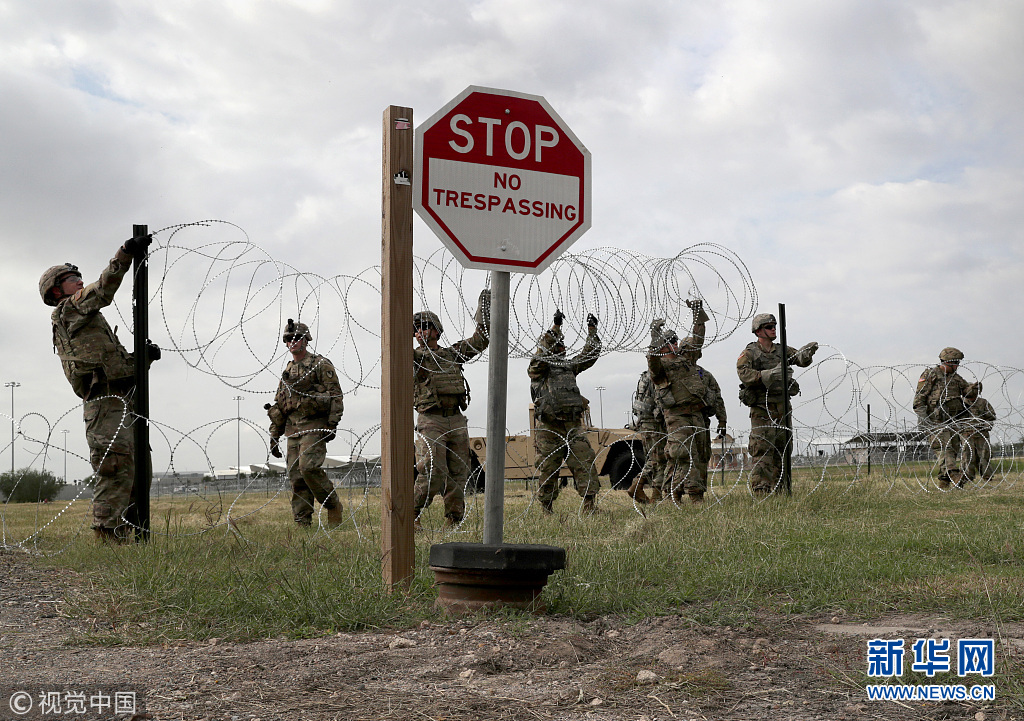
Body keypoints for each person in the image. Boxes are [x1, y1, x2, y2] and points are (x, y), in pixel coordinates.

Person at [41, 237, 158, 542]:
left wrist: (141, 361)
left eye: (78, 277)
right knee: (115, 464)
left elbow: (111, 362)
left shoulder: (87, 318)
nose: (79, 281)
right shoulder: (69, 309)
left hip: (122, 397)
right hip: (104, 402)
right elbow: (104, 288)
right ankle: (107, 535)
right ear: (57, 290)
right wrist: (124, 254)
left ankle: (131, 529)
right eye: (71, 279)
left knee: (137, 468)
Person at [412, 289, 490, 528]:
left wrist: (484, 307)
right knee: (432, 471)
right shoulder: (414, 358)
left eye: (424, 326)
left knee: (459, 472)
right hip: (431, 419)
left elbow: (481, 339)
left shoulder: (451, 355)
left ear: (436, 330)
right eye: (415, 329)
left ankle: (453, 519)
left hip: (456, 419)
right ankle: (412, 515)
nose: (419, 332)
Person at [266, 320, 345, 527]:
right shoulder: (287, 372)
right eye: (289, 339)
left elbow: (336, 395)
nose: (293, 342)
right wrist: (274, 435)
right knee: (296, 477)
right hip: (293, 429)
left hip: (314, 425)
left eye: (297, 338)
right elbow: (280, 406)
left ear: (305, 340)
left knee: (308, 467)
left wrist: (332, 423)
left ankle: (332, 504)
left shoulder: (320, 364)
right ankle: (303, 522)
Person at [736, 313, 818, 497]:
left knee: (783, 448)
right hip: (762, 408)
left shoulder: (781, 350)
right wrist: (766, 375)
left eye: (774, 325)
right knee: (762, 449)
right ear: (758, 331)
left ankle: (781, 490)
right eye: (769, 326)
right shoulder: (750, 353)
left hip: (782, 407)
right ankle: (761, 492)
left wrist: (807, 353)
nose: (774, 329)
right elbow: (743, 373)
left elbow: (799, 359)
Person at [529, 310, 602, 514]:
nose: (563, 349)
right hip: (549, 428)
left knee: (584, 463)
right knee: (548, 469)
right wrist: (555, 329)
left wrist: (592, 330)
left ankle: (589, 507)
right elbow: (539, 356)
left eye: (563, 346)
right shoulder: (538, 369)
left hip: (572, 426)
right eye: (558, 346)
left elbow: (590, 354)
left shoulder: (568, 367)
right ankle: (547, 508)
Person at [647, 300, 711, 504]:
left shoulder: (686, 360)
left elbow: (698, 338)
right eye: (670, 341)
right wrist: (655, 338)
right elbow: (653, 361)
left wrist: (697, 313)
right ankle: (682, 496)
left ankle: (690, 493)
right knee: (683, 454)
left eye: (676, 340)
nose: (676, 343)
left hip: (696, 414)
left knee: (700, 455)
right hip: (677, 416)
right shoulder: (660, 366)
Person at [913, 347, 972, 489]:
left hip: (953, 420)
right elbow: (918, 400)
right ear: (948, 362)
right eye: (956, 363)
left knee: (954, 449)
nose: (958, 366)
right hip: (935, 421)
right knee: (944, 448)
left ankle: (944, 482)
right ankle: (954, 475)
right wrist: (925, 421)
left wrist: (974, 388)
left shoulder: (956, 378)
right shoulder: (931, 374)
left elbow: (967, 391)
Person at [629, 369, 667, 504]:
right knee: (659, 459)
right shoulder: (658, 374)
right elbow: (661, 398)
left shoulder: (645, 375)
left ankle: (638, 486)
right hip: (655, 422)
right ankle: (654, 493)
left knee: (653, 457)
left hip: (644, 421)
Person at [962, 381, 997, 483]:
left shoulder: (983, 403)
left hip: (981, 434)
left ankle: (987, 476)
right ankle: (967, 477)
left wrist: (986, 426)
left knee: (984, 456)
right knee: (967, 457)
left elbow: (991, 416)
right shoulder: (961, 403)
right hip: (966, 434)